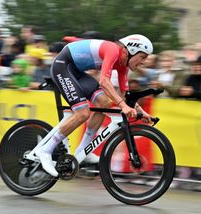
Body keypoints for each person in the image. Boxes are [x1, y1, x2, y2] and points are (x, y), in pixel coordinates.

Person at [35, 34, 154, 177]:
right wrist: (123, 105)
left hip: (76, 72)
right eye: (142, 57)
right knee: (82, 113)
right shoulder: (112, 50)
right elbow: (104, 81)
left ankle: (83, 150)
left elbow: (126, 96)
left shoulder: (123, 66)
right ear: (132, 51)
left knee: (104, 102)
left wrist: (142, 113)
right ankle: (45, 150)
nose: (143, 62)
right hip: (63, 66)